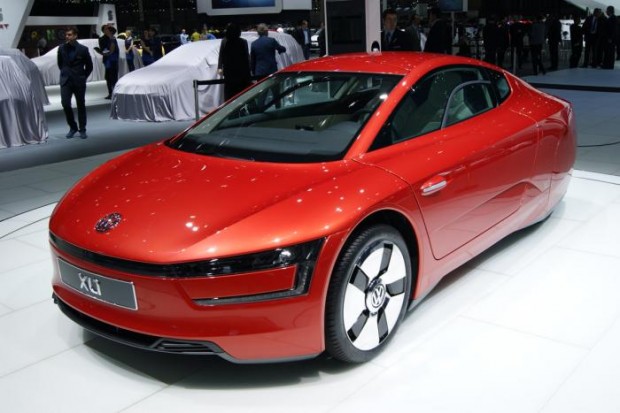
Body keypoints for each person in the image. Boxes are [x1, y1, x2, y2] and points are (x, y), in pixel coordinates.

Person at [57, 26, 93, 139]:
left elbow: (89, 66)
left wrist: (83, 77)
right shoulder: (61, 48)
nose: (67, 36)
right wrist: (65, 73)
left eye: (69, 34)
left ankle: (82, 129)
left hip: (79, 81)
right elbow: (60, 64)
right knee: (65, 104)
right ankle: (73, 127)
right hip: (66, 81)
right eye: (66, 35)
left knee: (81, 105)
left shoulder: (83, 49)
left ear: (75, 36)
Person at [217, 23, 251, 101]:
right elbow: (246, 58)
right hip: (240, 74)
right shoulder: (242, 42)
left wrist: (220, 67)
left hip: (230, 73)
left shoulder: (225, 42)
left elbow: (222, 55)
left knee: (230, 96)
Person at [97, 25, 119, 99]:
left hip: (114, 59)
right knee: (108, 77)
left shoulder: (113, 37)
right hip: (108, 60)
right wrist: (106, 52)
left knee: (114, 76)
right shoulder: (102, 39)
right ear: (103, 31)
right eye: (106, 29)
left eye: (109, 28)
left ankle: (116, 92)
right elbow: (104, 50)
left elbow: (114, 30)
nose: (108, 29)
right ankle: (110, 93)